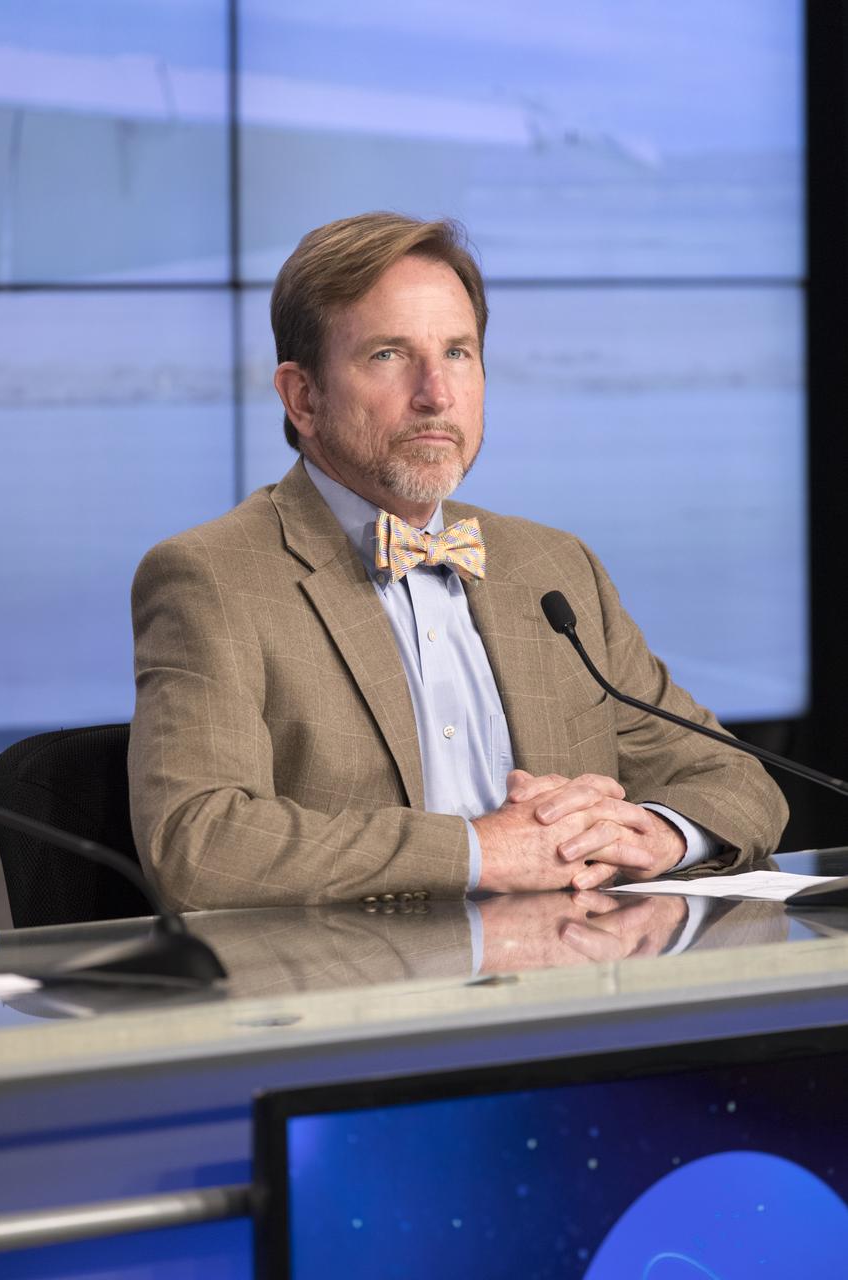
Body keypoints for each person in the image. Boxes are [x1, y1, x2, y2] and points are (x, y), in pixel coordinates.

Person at [128, 212, 787, 910]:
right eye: (387, 354)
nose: (436, 395)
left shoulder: (554, 566)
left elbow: (735, 779)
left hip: (577, 987)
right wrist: (481, 851)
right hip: (355, 1005)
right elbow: (197, 845)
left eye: (457, 353)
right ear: (303, 397)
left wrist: (652, 832)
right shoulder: (213, 576)